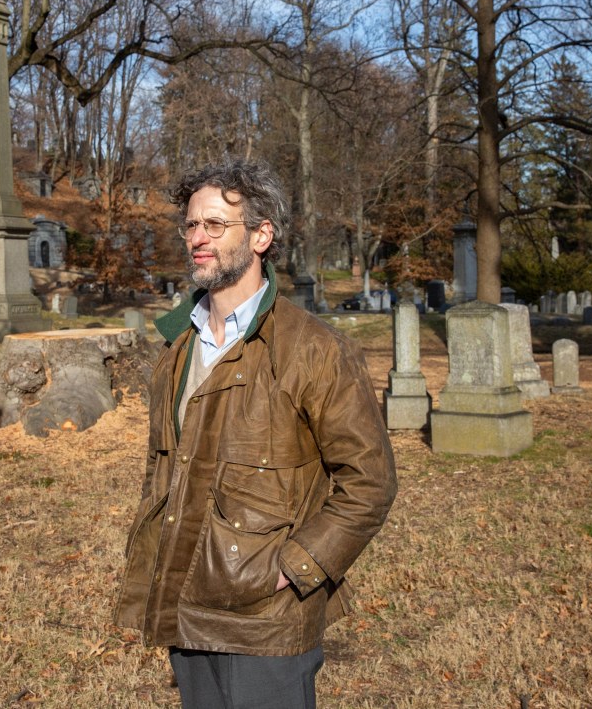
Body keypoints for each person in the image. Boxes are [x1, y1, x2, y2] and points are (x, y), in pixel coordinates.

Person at [114, 159, 397, 709]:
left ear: (261, 235)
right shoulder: (177, 348)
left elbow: (370, 482)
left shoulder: (314, 350)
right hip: (186, 606)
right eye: (192, 225)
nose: (198, 238)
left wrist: (294, 568)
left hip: (265, 621)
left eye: (216, 225)